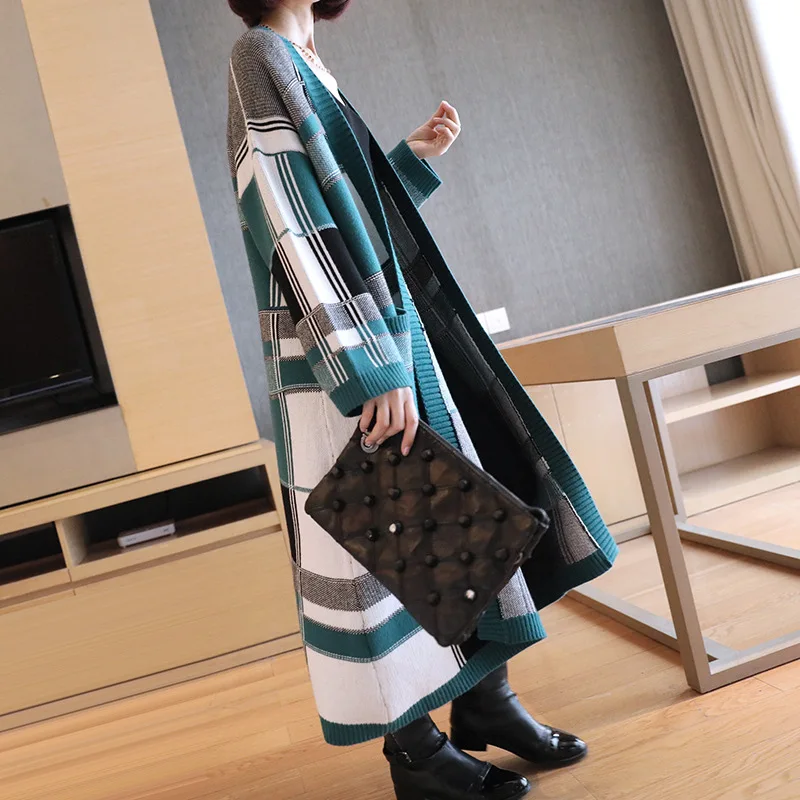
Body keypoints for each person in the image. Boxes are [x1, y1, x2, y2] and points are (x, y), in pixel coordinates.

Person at [226, 2, 617, 797]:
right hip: (343, 354)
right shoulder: (258, 56)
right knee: (381, 541)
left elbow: (349, 214)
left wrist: (407, 162)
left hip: (380, 335)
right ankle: (415, 754)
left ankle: (486, 703)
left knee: (445, 518)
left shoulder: (302, 59)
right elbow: (289, 220)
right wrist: (369, 367)